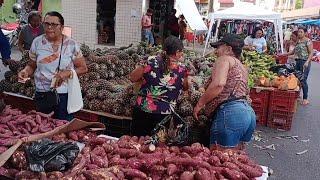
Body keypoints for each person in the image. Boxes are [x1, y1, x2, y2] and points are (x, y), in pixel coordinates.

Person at [18, 11, 88, 120]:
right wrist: (25, 71)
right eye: (46, 24)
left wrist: (67, 73)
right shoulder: (37, 42)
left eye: (54, 24)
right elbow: (31, 65)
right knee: (44, 126)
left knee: (62, 129)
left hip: (63, 95)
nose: (49, 27)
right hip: (42, 94)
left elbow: (83, 68)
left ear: (61, 27)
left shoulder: (71, 44)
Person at [193, 34, 255, 150]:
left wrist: (199, 104)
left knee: (219, 161)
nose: (216, 51)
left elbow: (219, 84)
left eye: (218, 47)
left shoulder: (224, 59)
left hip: (230, 114)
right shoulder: (242, 67)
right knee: (235, 161)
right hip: (247, 114)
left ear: (229, 49)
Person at [129, 36, 189, 136]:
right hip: (164, 114)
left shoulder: (150, 61)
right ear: (177, 52)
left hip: (143, 108)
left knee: (137, 143)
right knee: (157, 147)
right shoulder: (182, 69)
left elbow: (132, 78)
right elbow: (185, 87)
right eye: (181, 51)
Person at [285, 27, 313, 105]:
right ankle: (298, 95)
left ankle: (305, 98)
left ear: (305, 33)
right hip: (297, 62)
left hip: (304, 62)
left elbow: (311, 53)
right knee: (297, 79)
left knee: (303, 80)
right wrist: (284, 54)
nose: (299, 33)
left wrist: (307, 62)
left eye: (301, 32)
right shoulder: (298, 41)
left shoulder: (308, 41)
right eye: (299, 32)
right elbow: (293, 52)